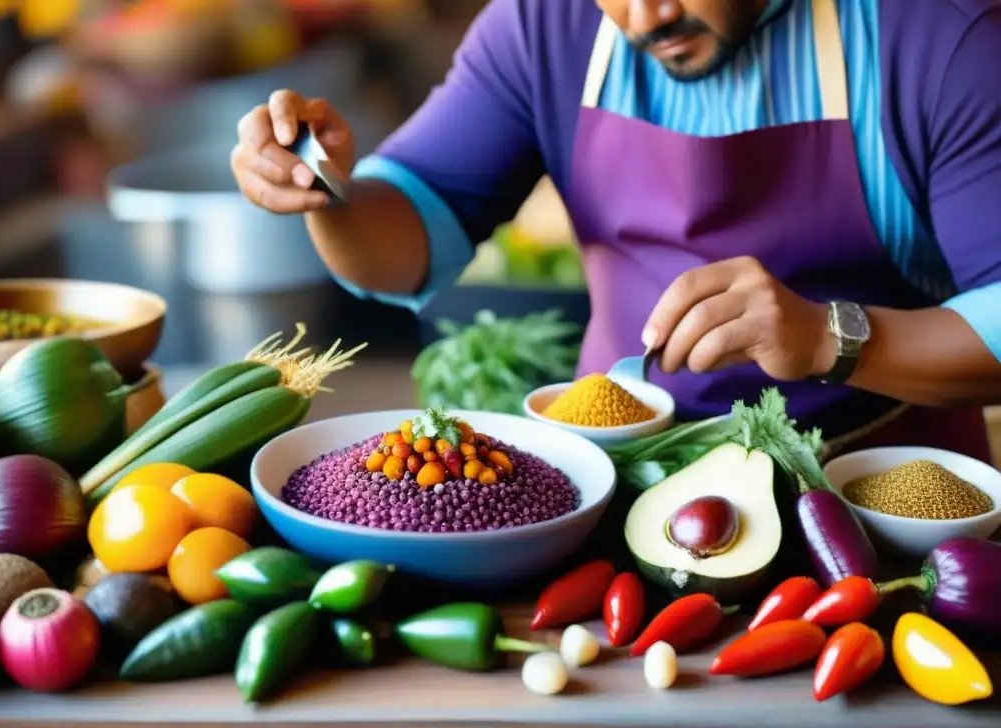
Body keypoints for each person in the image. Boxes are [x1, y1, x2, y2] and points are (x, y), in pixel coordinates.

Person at [231, 0, 1001, 461]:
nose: (646, 16)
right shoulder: (546, 27)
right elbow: (408, 241)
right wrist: (324, 191)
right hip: (620, 489)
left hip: (883, 497)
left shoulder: (937, 39)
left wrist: (828, 337)